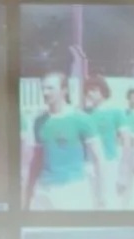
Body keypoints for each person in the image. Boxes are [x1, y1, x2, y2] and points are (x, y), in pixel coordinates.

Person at [26, 72, 101, 211]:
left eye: (50, 88)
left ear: (64, 90)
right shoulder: (39, 121)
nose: (45, 92)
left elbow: (98, 159)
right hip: (43, 190)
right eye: (43, 88)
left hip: (72, 190)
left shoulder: (82, 119)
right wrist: (28, 191)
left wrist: (101, 194)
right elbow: (36, 160)